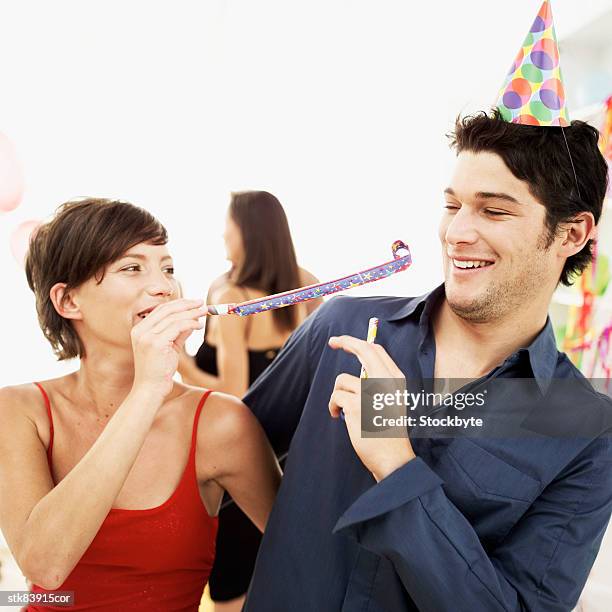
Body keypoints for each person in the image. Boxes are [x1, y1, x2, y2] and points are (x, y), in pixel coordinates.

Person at [234, 108, 612, 611]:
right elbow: (221, 449)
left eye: (493, 210)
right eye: (452, 205)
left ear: (572, 233)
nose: (457, 232)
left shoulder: (584, 426)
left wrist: (396, 464)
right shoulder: (343, 328)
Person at [0, 198, 281, 611]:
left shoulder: (220, 423)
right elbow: (45, 567)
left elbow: (310, 559)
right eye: (132, 268)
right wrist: (147, 390)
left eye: (167, 268)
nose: (165, 285)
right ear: (68, 302)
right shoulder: (19, 410)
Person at [178, 190, 321, 611]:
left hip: (241, 446)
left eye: (229, 223)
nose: (224, 232)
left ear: (248, 232)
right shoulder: (308, 284)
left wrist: (180, 362)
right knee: (283, 564)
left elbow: (235, 392)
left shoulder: (230, 296)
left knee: (231, 587)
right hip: (292, 443)